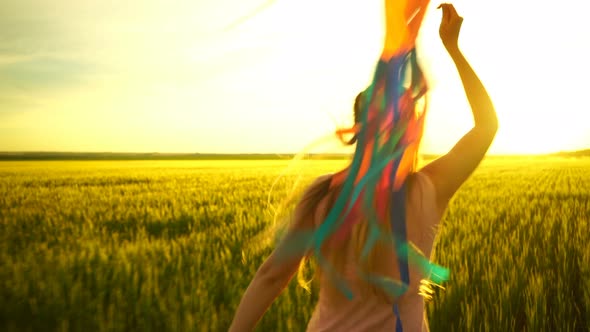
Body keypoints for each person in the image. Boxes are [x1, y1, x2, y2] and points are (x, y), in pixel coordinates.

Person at [229, 3, 498, 331]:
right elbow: (486, 126)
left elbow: (272, 276)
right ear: (410, 133)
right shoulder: (427, 189)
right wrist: (453, 48)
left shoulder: (324, 194)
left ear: (358, 131)